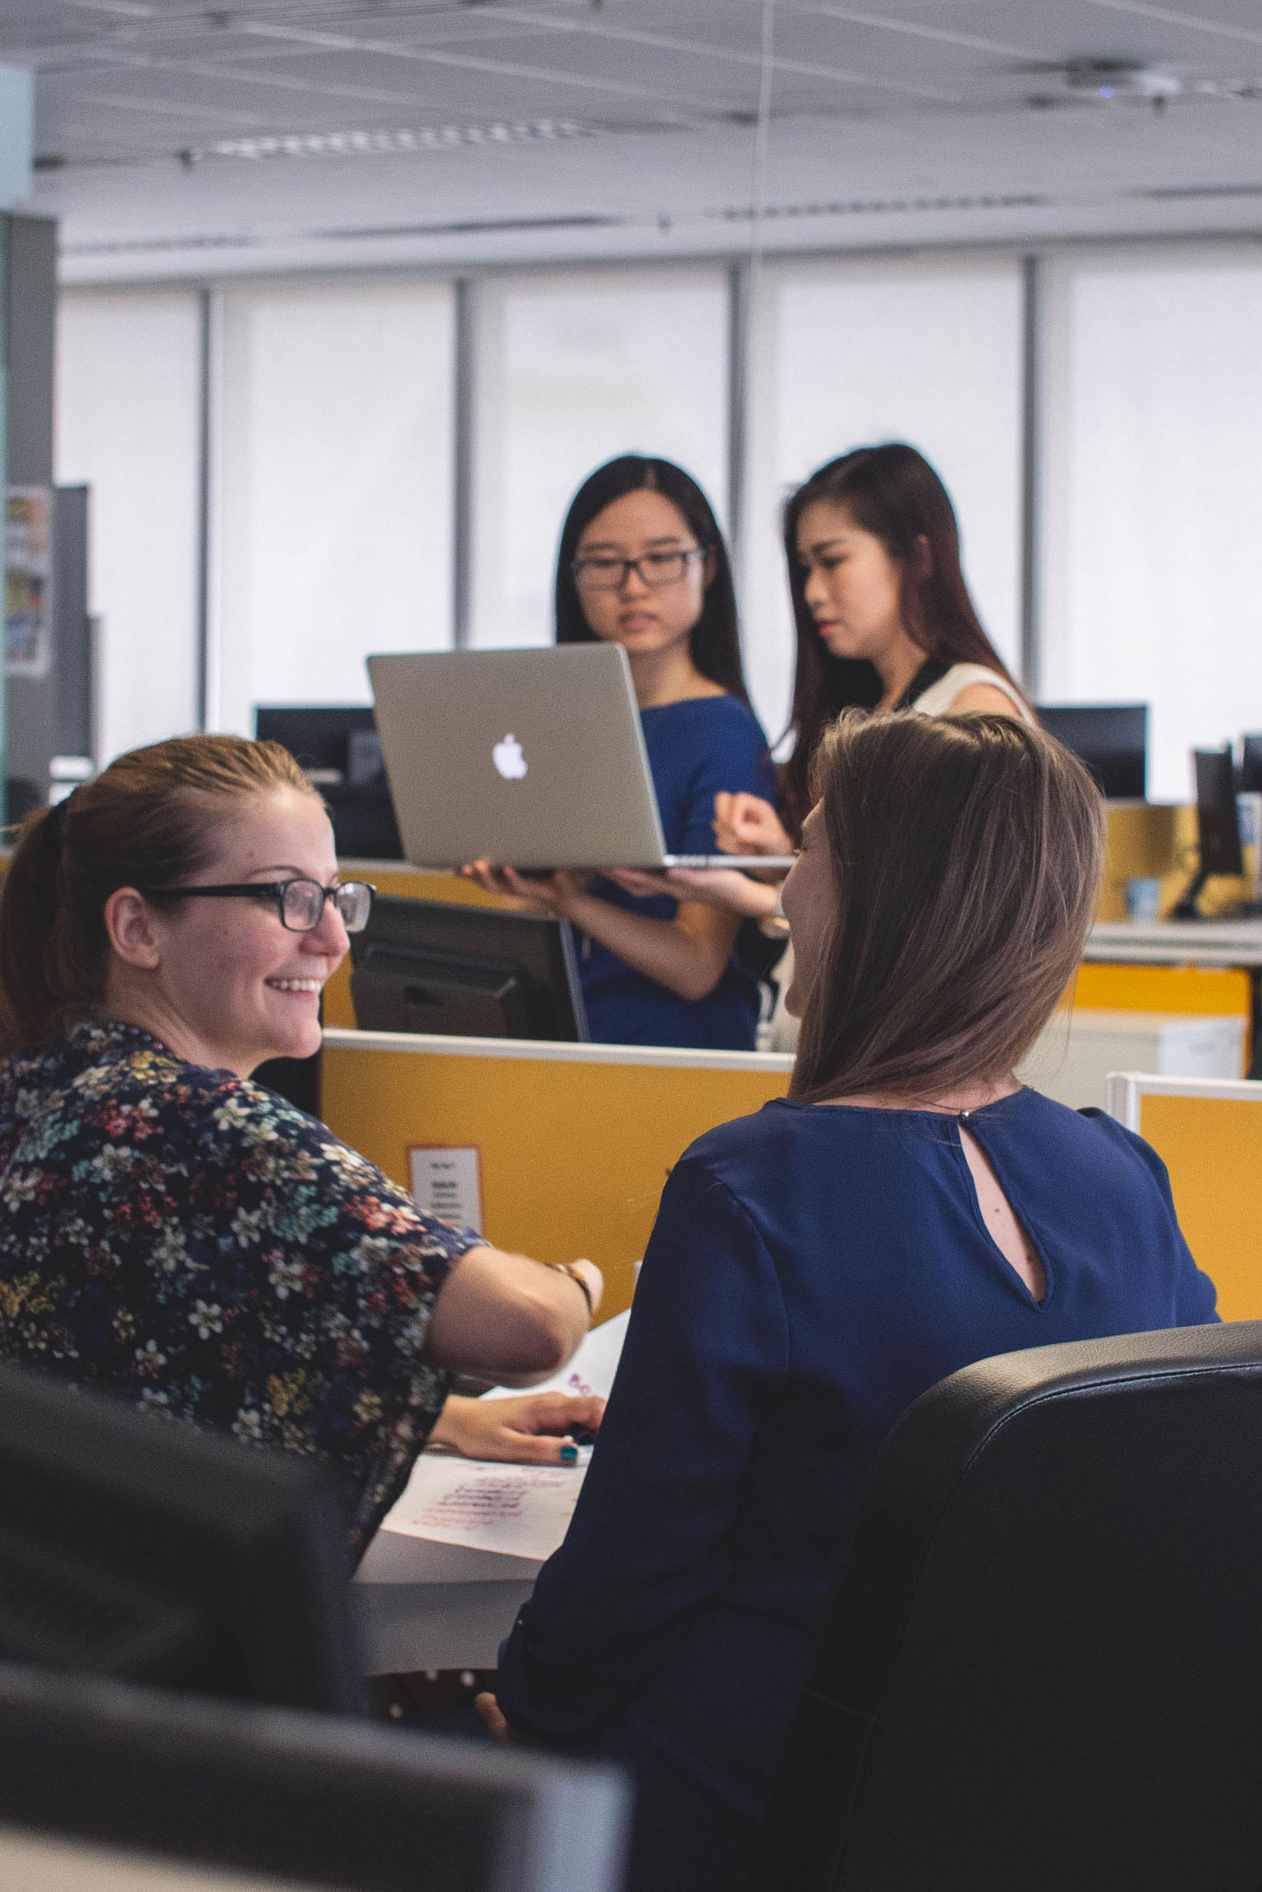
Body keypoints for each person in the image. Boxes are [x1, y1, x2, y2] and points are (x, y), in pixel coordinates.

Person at [481, 710, 1217, 1892]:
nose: (782, 890)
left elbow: (634, 1569)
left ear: (875, 901)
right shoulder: (1119, 1178)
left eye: (807, 853)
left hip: (759, 1795)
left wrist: (527, 1706)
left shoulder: (751, 1191)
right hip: (1036, 1796)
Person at [0, 735, 605, 1560]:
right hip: (175, 1671)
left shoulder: (24, 1086)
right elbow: (530, 1332)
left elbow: (134, 1375)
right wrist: (577, 1285)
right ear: (136, 927)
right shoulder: (202, 1127)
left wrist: (437, 1417)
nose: (334, 941)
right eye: (286, 899)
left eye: (335, 898)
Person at [632, 442, 1034, 937]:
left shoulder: (973, 710)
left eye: (833, 561)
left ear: (916, 557)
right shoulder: (875, 704)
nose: (812, 592)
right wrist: (782, 858)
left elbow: (941, 930)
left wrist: (752, 895)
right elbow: (870, 889)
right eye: (805, 567)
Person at [464, 455, 776, 1051]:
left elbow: (697, 965)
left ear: (706, 567)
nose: (633, 585)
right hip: (562, 1039)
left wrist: (571, 902)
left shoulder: (721, 730)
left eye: (661, 558)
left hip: (667, 1057)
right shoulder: (560, 721)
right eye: (605, 564)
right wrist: (528, 890)